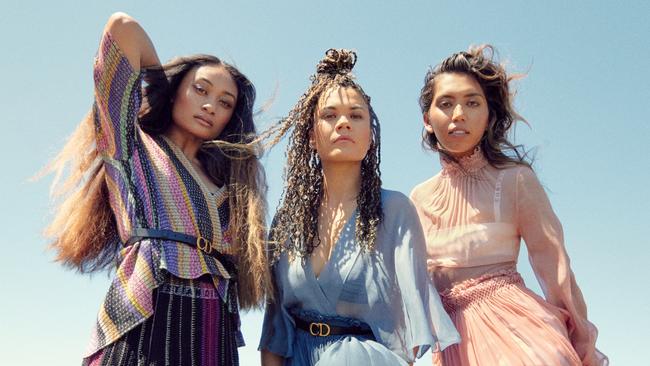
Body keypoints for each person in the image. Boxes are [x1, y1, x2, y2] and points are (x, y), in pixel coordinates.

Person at [43, 12, 270, 365]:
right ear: (176, 90)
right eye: (200, 89)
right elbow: (122, 28)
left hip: (213, 331)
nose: (211, 106)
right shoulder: (129, 144)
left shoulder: (232, 183)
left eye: (226, 102)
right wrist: (159, 78)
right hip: (144, 318)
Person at [258, 49, 459, 366]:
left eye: (355, 115)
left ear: (370, 136)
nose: (343, 123)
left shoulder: (394, 210)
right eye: (329, 115)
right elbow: (274, 328)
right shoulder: (288, 219)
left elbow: (406, 321)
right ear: (311, 136)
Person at [410, 45, 608, 365]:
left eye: (472, 103)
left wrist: (581, 342)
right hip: (453, 346)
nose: (458, 114)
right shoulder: (418, 198)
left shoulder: (515, 180)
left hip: (520, 335)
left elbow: (555, 268)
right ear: (427, 120)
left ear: (488, 115)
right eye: (446, 104)